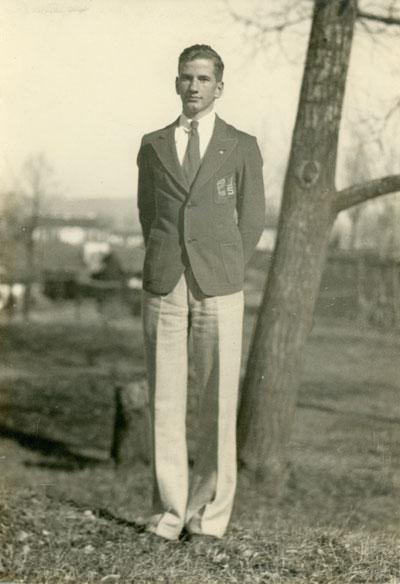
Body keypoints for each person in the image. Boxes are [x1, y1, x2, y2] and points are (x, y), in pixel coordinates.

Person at [136, 44, 265, 541]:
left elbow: (252, 217)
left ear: (219, 87)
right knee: (164, 402)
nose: (194, 86)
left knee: (217, 400)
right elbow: (150, 213)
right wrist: (165, 258)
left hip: (219, 285)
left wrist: (227, 264)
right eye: (186, 77)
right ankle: (167, 515)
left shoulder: (241, 144)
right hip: (164, 281)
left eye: (204, 78)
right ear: (176, 83)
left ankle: (208, 518)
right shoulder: (153, 145)